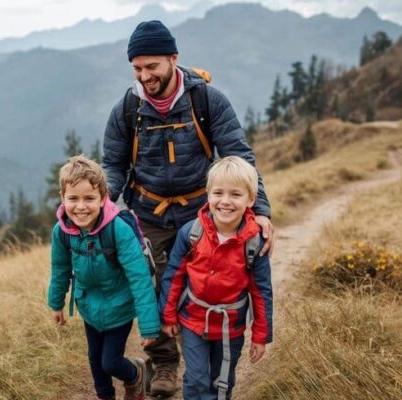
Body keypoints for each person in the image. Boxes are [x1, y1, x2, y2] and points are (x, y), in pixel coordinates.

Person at [102, 20, 275, 395]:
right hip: (148, 213)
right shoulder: (127, 109)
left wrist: (260, 209)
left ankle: (209, 359)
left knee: (200, 282)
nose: (145, 75)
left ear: (173, 59)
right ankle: (163, 364)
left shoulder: (206, 100)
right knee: (153, 288)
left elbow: (238, 157)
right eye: (138, 68)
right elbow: (113, 164)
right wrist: (102, 201)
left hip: (203, 212)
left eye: (153, 66)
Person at [157, 156, 273, 400]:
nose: (225, 201)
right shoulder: (191, 233)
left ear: (251, 199)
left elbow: (261, 292)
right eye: (218, 193)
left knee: (222, 382)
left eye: (236, 194)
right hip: (192, 322)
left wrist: (261, 335)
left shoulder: (254, 243)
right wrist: (167, 317)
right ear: (208, 195)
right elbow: (173, 276)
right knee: (196, 379)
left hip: (231, 326)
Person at [48, 155, 160, 400]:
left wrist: (148, 324)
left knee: (110, 362)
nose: (81, 206)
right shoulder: (62, 231)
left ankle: (135, 374)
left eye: (89, 198)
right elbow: (60, 269)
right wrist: (56, 303)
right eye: (73, 198)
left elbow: (139, 277)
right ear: (62, 197)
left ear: (103, 197)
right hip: (89, 305)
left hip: (119, 306)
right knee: (95, 361)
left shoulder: (118, 229)